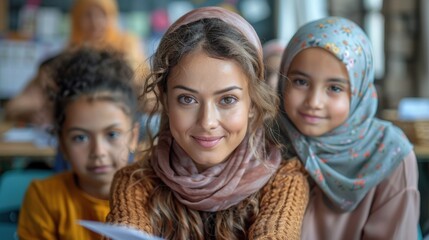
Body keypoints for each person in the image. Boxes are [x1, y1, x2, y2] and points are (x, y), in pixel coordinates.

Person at [105, 7, 309, 240]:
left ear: (252, 105)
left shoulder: (283, 181)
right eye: (187, 99)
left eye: (227, 100)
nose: (207, 121)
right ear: (165, 100)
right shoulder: (135, 183)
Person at [276, 16, 420, 239]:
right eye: (300, 82)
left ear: (359, 91)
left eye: (334, 88)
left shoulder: (387, 152)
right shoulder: (267, 141)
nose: (314, 102)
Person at [17, 48, 140, 240]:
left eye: (112, 134)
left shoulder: (155, 197)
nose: (98, 152)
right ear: (62, 144)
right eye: (80, 138)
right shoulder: (43, 197)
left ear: (133, 137)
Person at [5, 0, 148, 126]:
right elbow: (15, 107)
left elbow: (152, 101)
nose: (95, 23)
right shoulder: (62, 61)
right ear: (76, 20)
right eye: (87, 15)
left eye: (103, 14)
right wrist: (37, 113)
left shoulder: (128, 52)